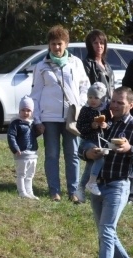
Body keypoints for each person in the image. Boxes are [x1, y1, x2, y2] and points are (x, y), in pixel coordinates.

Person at [80, 86, 133, 258]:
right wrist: (88, 153)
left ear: (130, 104)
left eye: (120, 102)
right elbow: (84, 146)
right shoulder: (105, 124)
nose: (115, 106)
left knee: (107, 230)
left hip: (118, 184)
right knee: (105, 233)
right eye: (113, 101)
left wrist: (130, 148)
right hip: (98, 184)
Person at [30, 25, 90, 203]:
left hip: (72, 118)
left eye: (60, 44)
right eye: (53, 44)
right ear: (49, 45)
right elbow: (35, 94)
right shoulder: (41, 66)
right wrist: (37, 119)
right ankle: (54, 190)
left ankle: (74, 191)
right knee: (52, 155)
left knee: (72, 155)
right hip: (49, 118)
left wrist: (79, 104)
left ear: (66, 44)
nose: (57, 47)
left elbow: (84, 86)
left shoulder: (76, 63)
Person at [76, 82, 110, 199]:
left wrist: (106, 125)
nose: (93, 100)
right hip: (87, 141)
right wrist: (91, 125)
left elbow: (111, 124)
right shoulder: (85, 110)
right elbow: (79, 127)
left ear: (103, 99)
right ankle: (92, 181)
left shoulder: (106, 111)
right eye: (90, 97)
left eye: (96, 98)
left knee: (90, 165)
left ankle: (80, 189)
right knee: (100, 155)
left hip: (101, 141)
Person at [7, 96, 40, 200]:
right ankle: (22, 191)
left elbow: (34, 135)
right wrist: (15, 148)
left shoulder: (32, 123)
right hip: (21, 153)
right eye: (23, 110)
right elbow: (11, 136)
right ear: (19, 111)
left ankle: (30, 192)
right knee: (22, 173)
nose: (26, 113)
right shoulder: (16, 123)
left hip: (32, 154)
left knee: (30, 174)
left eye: (28, 110)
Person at [83, 30, 114, 97]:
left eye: (101, 43)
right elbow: (85, 88)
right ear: (90, 45)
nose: (99, 45)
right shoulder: (87, 64)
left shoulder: (107, 65)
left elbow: (112, 87)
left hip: (107, 104)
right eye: (95, 43)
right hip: (95, 105)